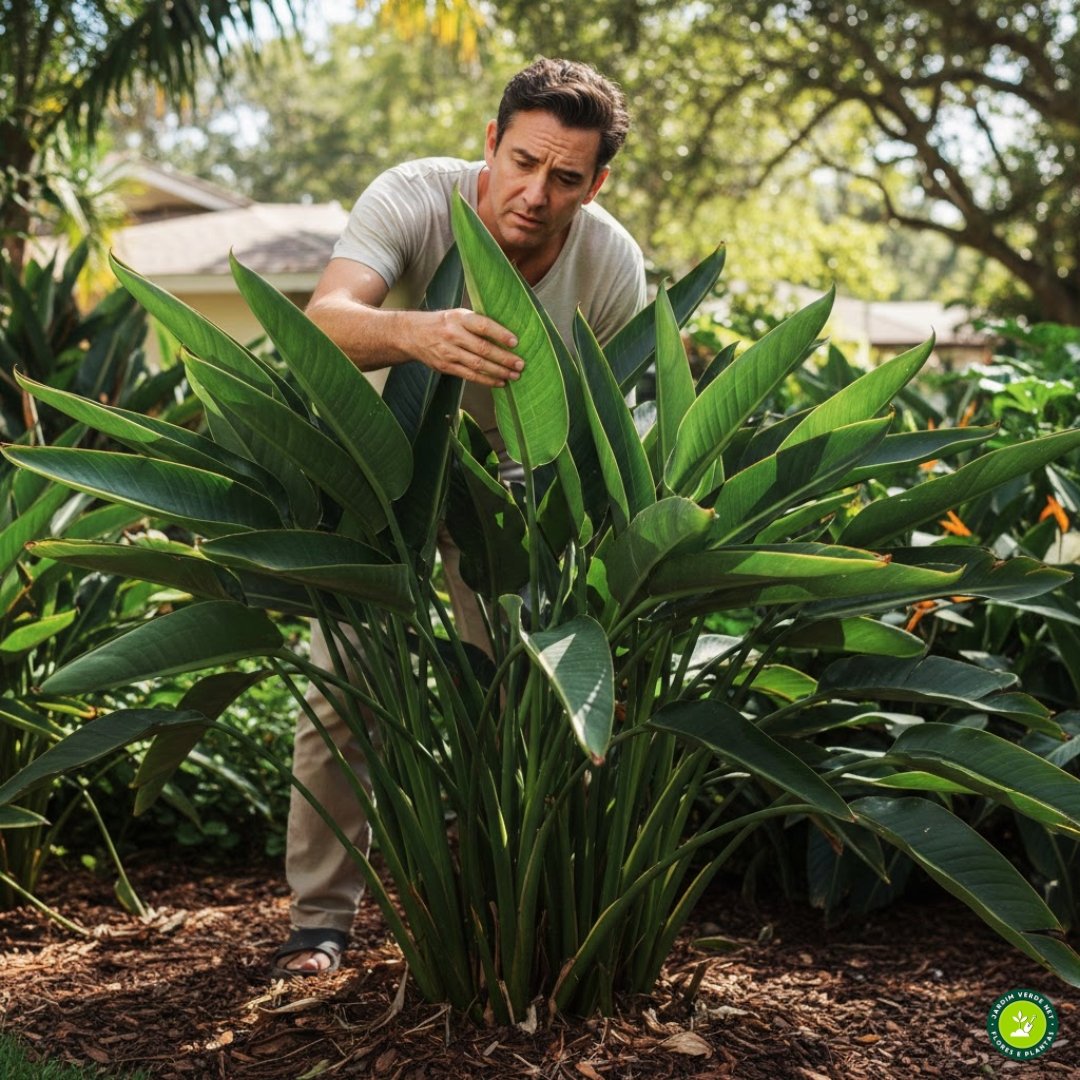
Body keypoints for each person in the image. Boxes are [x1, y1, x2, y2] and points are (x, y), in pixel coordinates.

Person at [273, 57, 647, 975]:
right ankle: (318, 926)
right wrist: (417, 334)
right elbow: (321, 321)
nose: (534, 193)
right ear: (491, 141)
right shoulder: (414, 195)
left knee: (515, 699)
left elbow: (608, 438)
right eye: (522, 161)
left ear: (596, 183)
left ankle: (500, 907)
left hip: (518, 502)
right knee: (343, 692)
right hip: (390, 474)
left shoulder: (609, 262)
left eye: (565, 179)